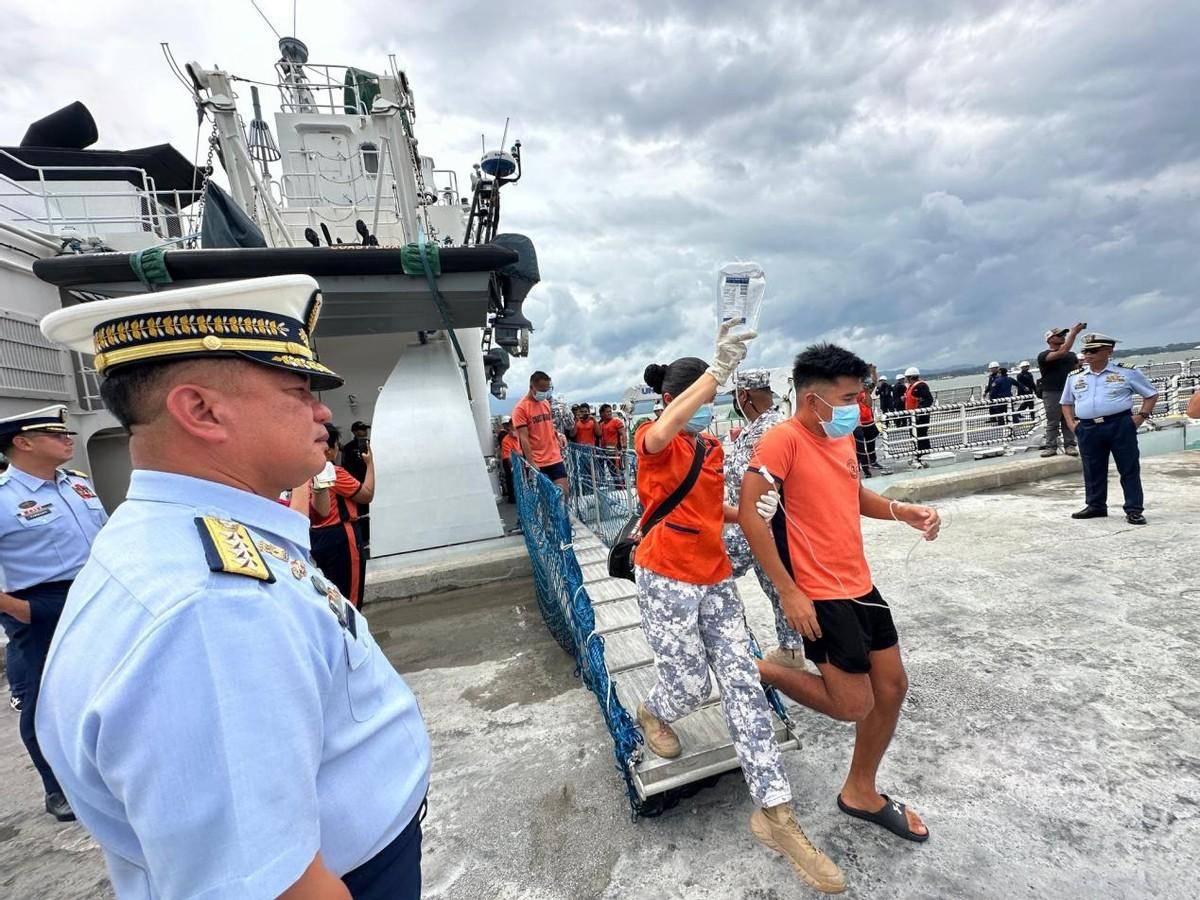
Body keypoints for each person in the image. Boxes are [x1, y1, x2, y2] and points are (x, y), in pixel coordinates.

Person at [37, 275, 431, 898]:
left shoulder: (177, 539)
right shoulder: (212, 609)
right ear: (201, 410)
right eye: (298, 389)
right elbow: (269, 885)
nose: (323, 409)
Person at [633, 325, 845, 894]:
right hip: (665, 577)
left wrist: (752, 509)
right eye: (702, 397)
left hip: (715, 578)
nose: (708, 411)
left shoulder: (710, 446)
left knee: (744, 683)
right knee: (688, 683)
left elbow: (708, 509)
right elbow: (668, 429)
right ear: (674, 401)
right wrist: (718, 371)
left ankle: (777, 816)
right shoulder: (651, 439)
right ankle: (652, 712)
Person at [739, 342, 941, 848]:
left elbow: (850, 494)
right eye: (849, 396)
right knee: (853, 704)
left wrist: (902, 510)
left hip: (860, 584)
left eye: (860, 394)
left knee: (891, 688)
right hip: (820, 595)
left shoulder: (842, 436)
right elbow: (748, 515)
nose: (858, 405)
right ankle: (761, 671)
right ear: (812, 400)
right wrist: (789, 592)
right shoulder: (781, 441)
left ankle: (860, 792)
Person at [0, 404, 106, 822]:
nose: (67, 439)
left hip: (94, 588)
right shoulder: (4, 499)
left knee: (104, 684)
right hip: (41, 603)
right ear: (22, 444)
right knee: (43, 699)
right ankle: (57, 789)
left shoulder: (78, 484)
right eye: (54, 434)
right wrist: (19, 610)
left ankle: (101, 774)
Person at [723, 369, 805, 668]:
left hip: (754, 522)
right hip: (756, 521)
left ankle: (729, 648)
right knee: (775, 585)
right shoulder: (765, 424)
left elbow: (756, 485)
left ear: (743, 396)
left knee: (713, 573)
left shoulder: (766, 430)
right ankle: (792, 649)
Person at [1060, 332, 1158, 525]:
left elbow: (1151, 394)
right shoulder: (1075, 376)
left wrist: (1141, 417)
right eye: (1085, 351)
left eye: (1093, 350)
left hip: (1119, 425)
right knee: (1092, 469)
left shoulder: (1126, 372)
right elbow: (1066, 402)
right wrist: (1072, 425)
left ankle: (1134, 509)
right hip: (1087, 428)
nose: (1088, 355)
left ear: (1109, 351)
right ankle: (1096, 506)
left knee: (1128, 468)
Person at [311, 423, 375, 607]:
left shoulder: (303, 475)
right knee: (349, 599)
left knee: (330, 593)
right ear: (329, 450)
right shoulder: (334, 473)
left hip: (317, 537)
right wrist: (370, 464)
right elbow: (366, 494)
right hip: (341, 537)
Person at [512, 371, 569, 498]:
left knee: (564, 494)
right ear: (532, 387)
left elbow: (547, 425)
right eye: (542, 390)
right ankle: (548, 518)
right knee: (546, 500)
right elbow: (524, 438)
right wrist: (531, 463)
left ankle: (563, 517)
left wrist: (557, 434)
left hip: (555, 457)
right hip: (538, 462)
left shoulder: (545, 403)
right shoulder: (520, 409)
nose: (545, 393)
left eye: (547, 389)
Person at [1037, 324, 1084, 457]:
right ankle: (1051, 446)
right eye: (1059, 335)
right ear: (1049, 339)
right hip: (1052, 391)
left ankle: (1070, 445)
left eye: (1064, 335)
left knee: (1068, 419)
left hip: (1069, 391)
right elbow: (1061, 352)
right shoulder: (1044, 355)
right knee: (1053, 420)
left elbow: (1077, 371)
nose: (1062, 337)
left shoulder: (1071, 355)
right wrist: (1074, 333)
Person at [341, 420, 372, 549]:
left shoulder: (372, 443)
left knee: (371, 511)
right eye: (361, 429)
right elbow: (345, 465)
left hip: (371, 482)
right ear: (354, 431)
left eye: (365, 429)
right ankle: (363, 539)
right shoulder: (349, 448)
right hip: (356, 485)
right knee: (359, 513)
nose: (364, 431)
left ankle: (371, 537)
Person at [902, 367, 934, 462]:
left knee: (921, 435)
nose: (906, 380)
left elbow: (928, 400)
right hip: (912, 416)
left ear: (911, 377)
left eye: (907, 378)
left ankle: (924, 454)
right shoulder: (913, 387)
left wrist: (919, 412)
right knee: (915, 435)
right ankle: (919, 453)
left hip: (919, 417)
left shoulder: (920, 386)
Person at [853, 385, 879, 475]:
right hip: (857, 423)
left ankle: (872, 461)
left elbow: (869, 404)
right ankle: (860, 465)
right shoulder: (852, 393)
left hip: (868, 421)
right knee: (859, 446)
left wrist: (867, 392)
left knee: (871, 443)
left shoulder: (864, 393)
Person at [498, 416, 521, 502]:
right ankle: (513, 497)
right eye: (510, 428)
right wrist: (512, 468)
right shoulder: (506, 439)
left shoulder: (521, 436)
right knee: (511, 478)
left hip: (519, 460)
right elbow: (508, 457)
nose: (512, 430)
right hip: (509, 461)